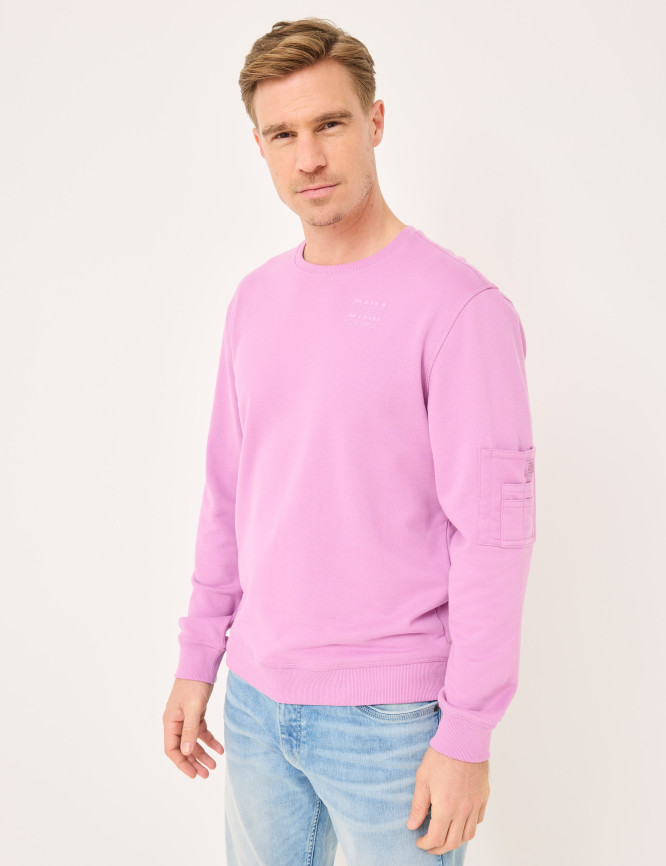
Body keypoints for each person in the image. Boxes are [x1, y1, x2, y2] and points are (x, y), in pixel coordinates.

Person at [162, 16, 536, 866]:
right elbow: (228, 495)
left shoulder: (460, 310)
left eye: (329, 123)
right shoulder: (254, 301)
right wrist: (198, 659)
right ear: (259, 147)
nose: (309, 158)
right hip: (255, 703)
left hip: (390, 724)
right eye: (282, 134)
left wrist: (468, 734)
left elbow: (494, 537)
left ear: (375, 121)